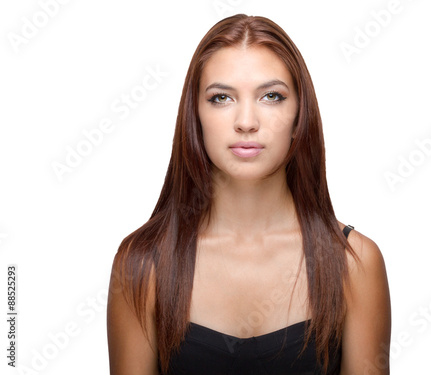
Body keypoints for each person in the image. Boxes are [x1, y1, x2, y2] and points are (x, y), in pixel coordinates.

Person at [107, 14, 391, 375]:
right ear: (195, 115)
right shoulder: (142, 265)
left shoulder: (355, 263)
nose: (246, 121)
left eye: (271, 96)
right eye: (221, 97)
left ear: (299, 114)